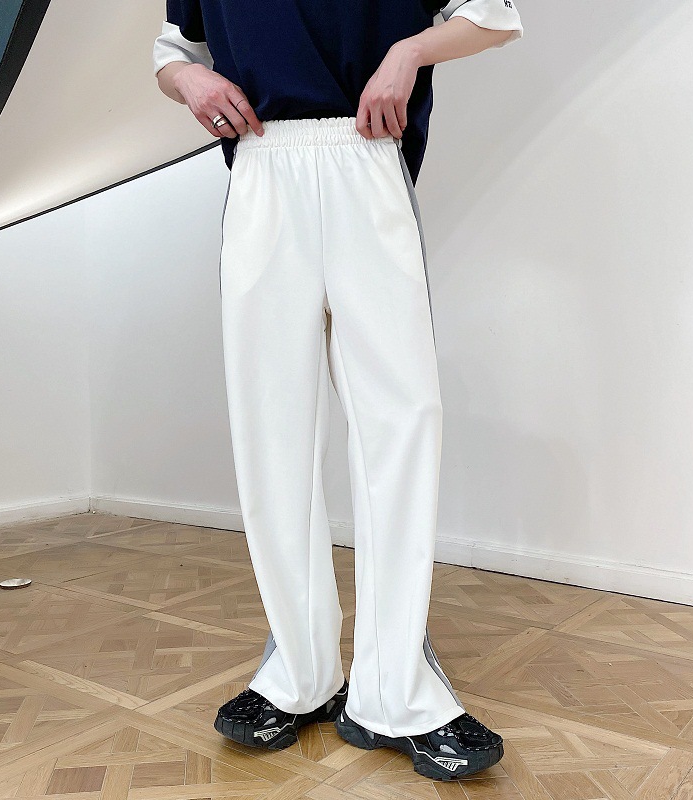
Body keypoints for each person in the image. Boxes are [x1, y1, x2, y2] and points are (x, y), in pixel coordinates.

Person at [152, 0, 522, 781]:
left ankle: (396, 692)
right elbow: (173, 47)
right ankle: (299, 674)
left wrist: (410, 52)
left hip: (366, 157)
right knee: (271, 429)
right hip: (262, 168)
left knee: (400, 423)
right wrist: (188, 80)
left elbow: (494, 16)